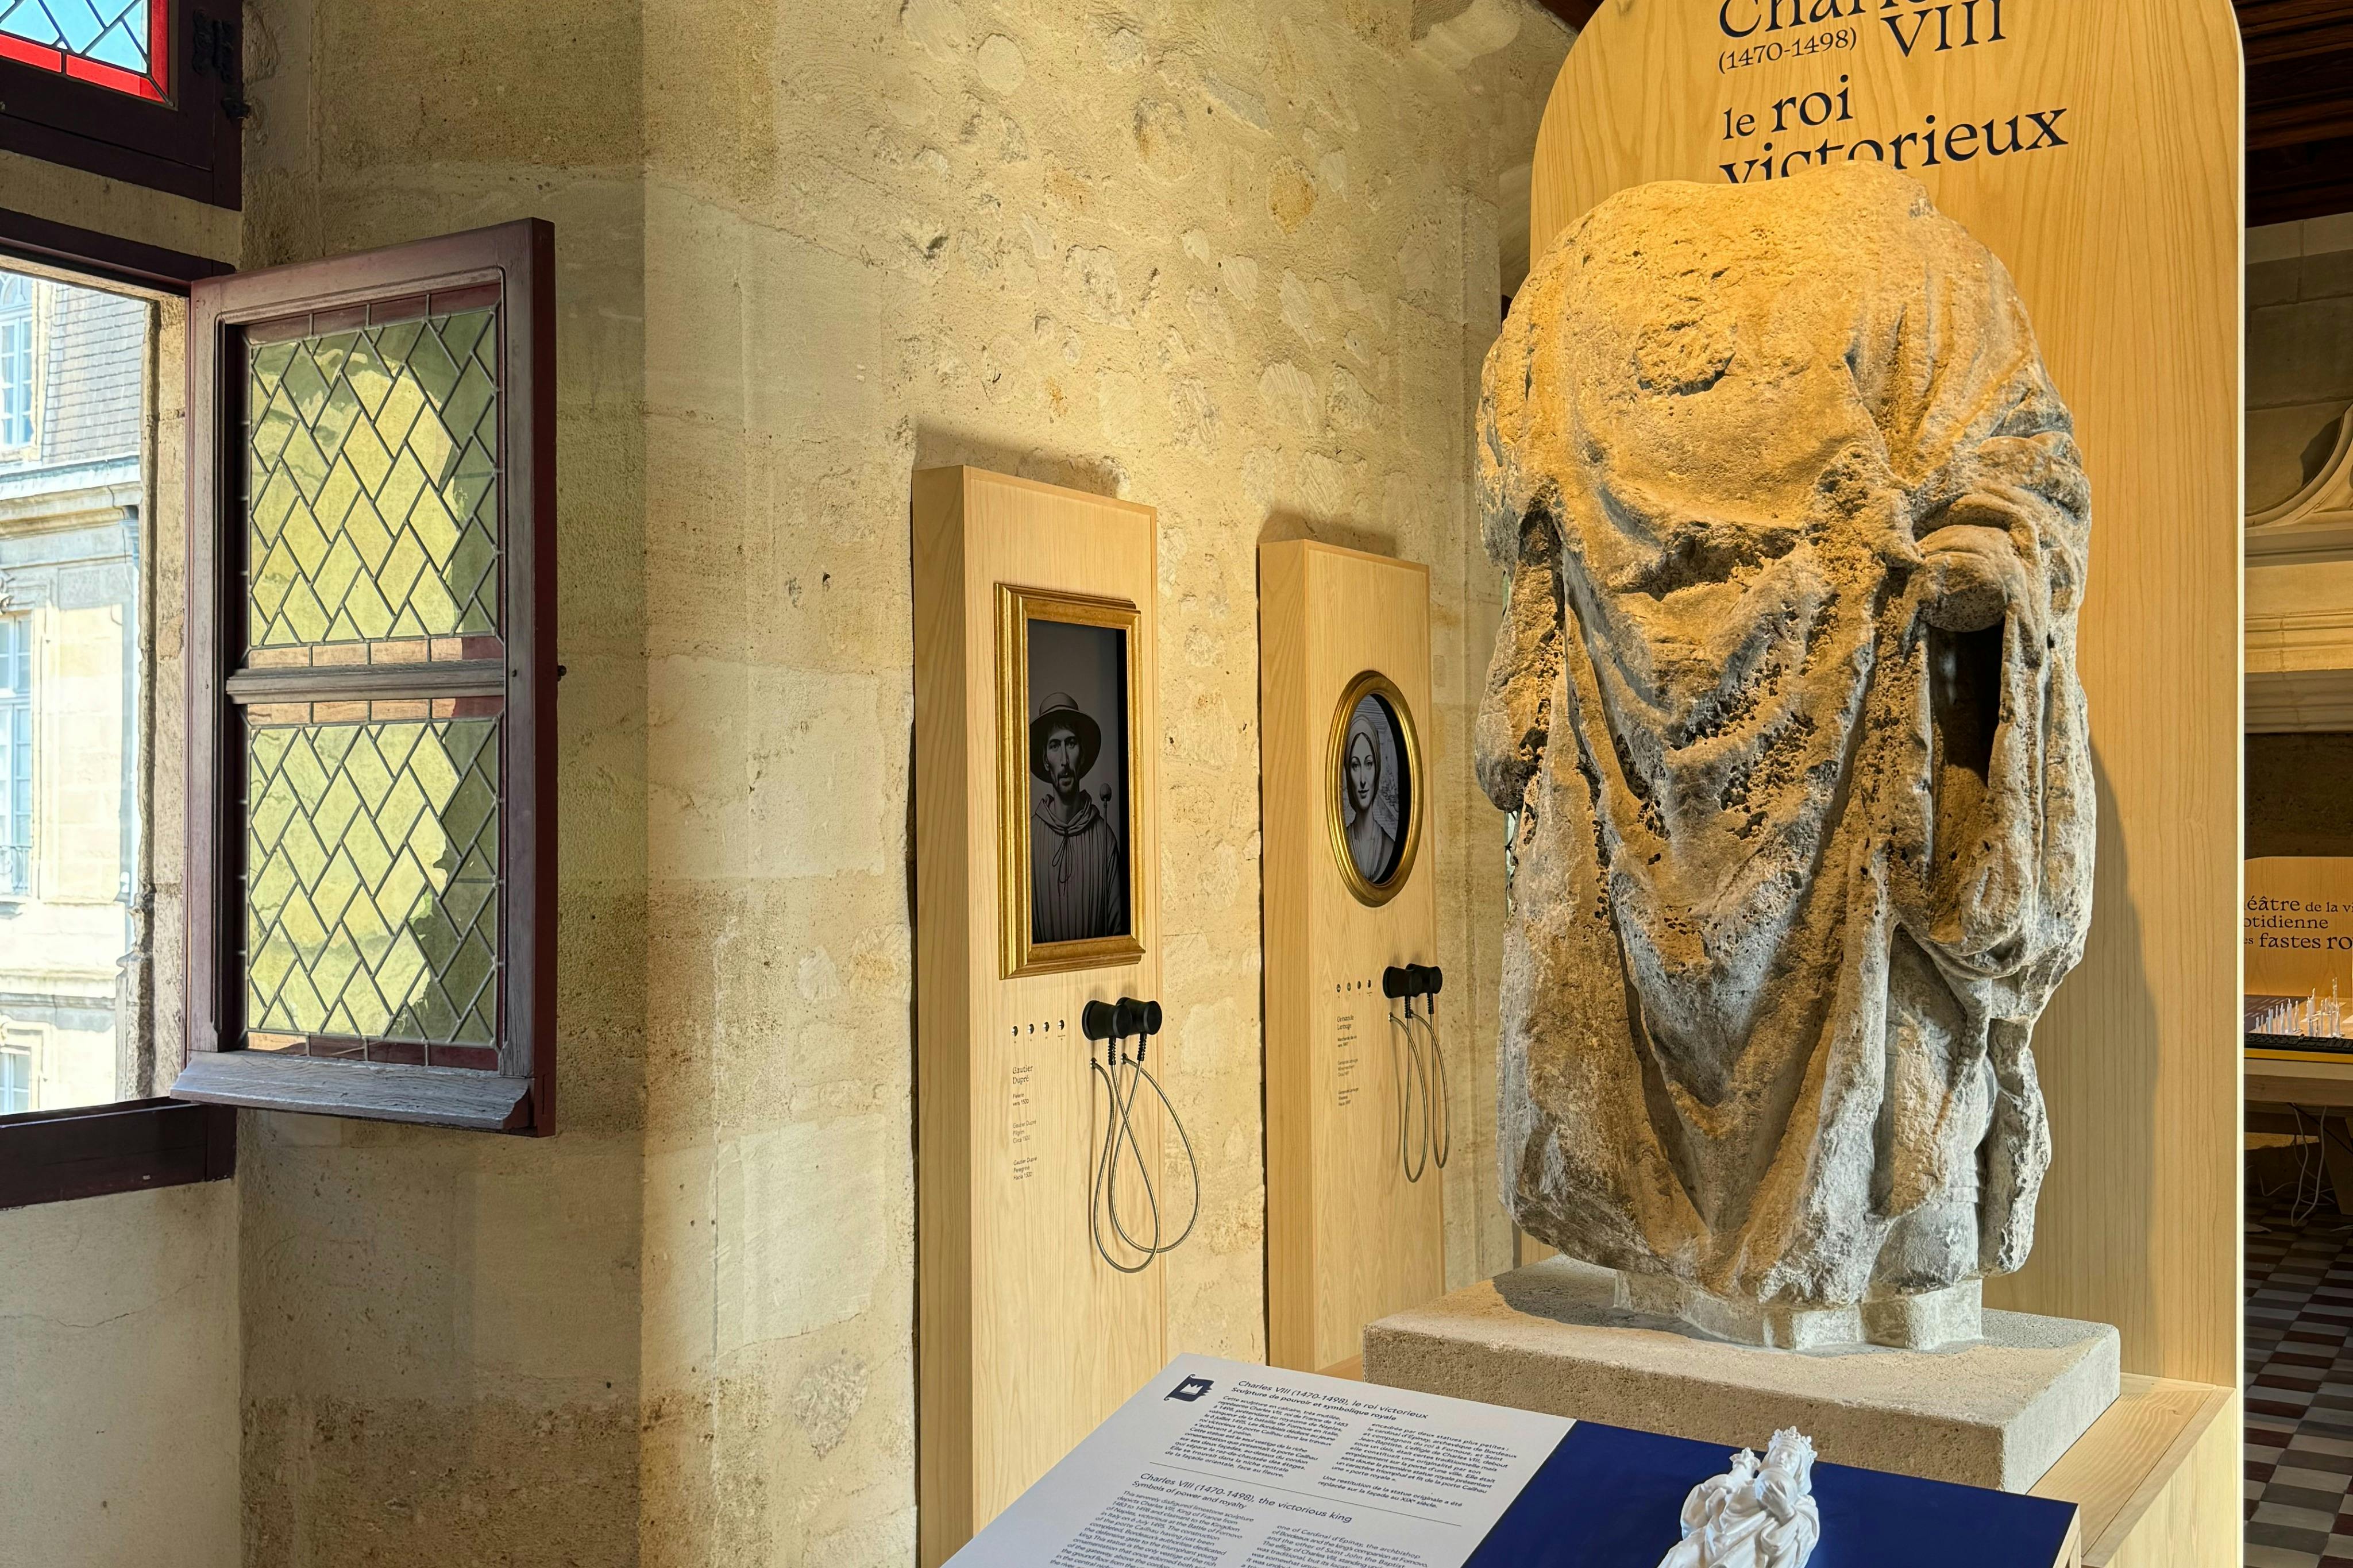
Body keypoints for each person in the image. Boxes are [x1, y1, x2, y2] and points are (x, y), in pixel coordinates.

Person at [1029, 691, 1125, 943]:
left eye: (1070, 744)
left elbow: (1118, 934)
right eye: (1054, 746)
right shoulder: (1028, 841)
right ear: (1045, 760)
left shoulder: (1104, 839)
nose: (1064, 760)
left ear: (1081, 755)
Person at [1343, 707, 1396, 883]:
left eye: (1369, 764)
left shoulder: (1390, 847)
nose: (1363, 780)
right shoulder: (1342, 844)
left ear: (1377, 769)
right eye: (1355, 766)